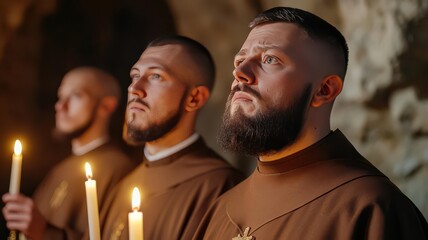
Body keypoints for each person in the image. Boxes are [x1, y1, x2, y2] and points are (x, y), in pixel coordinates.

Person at [193, 6, 428, 240]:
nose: (241, 72)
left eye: (269, 59)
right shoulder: (219, 210)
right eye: (240, 60)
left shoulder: (371, 208)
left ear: (324, 90)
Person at [99, 35, 244, 240]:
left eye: (156, 76)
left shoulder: (221, 186)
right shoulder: (123, 186)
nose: (135, 89)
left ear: (194, 98)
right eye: (135, 76)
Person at [2, 67, 135, 239]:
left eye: (76, 96)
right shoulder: (59, 170)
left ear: (106, 106)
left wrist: (44, 231)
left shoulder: (117, 168)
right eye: (60, 97)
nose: (60, 106)